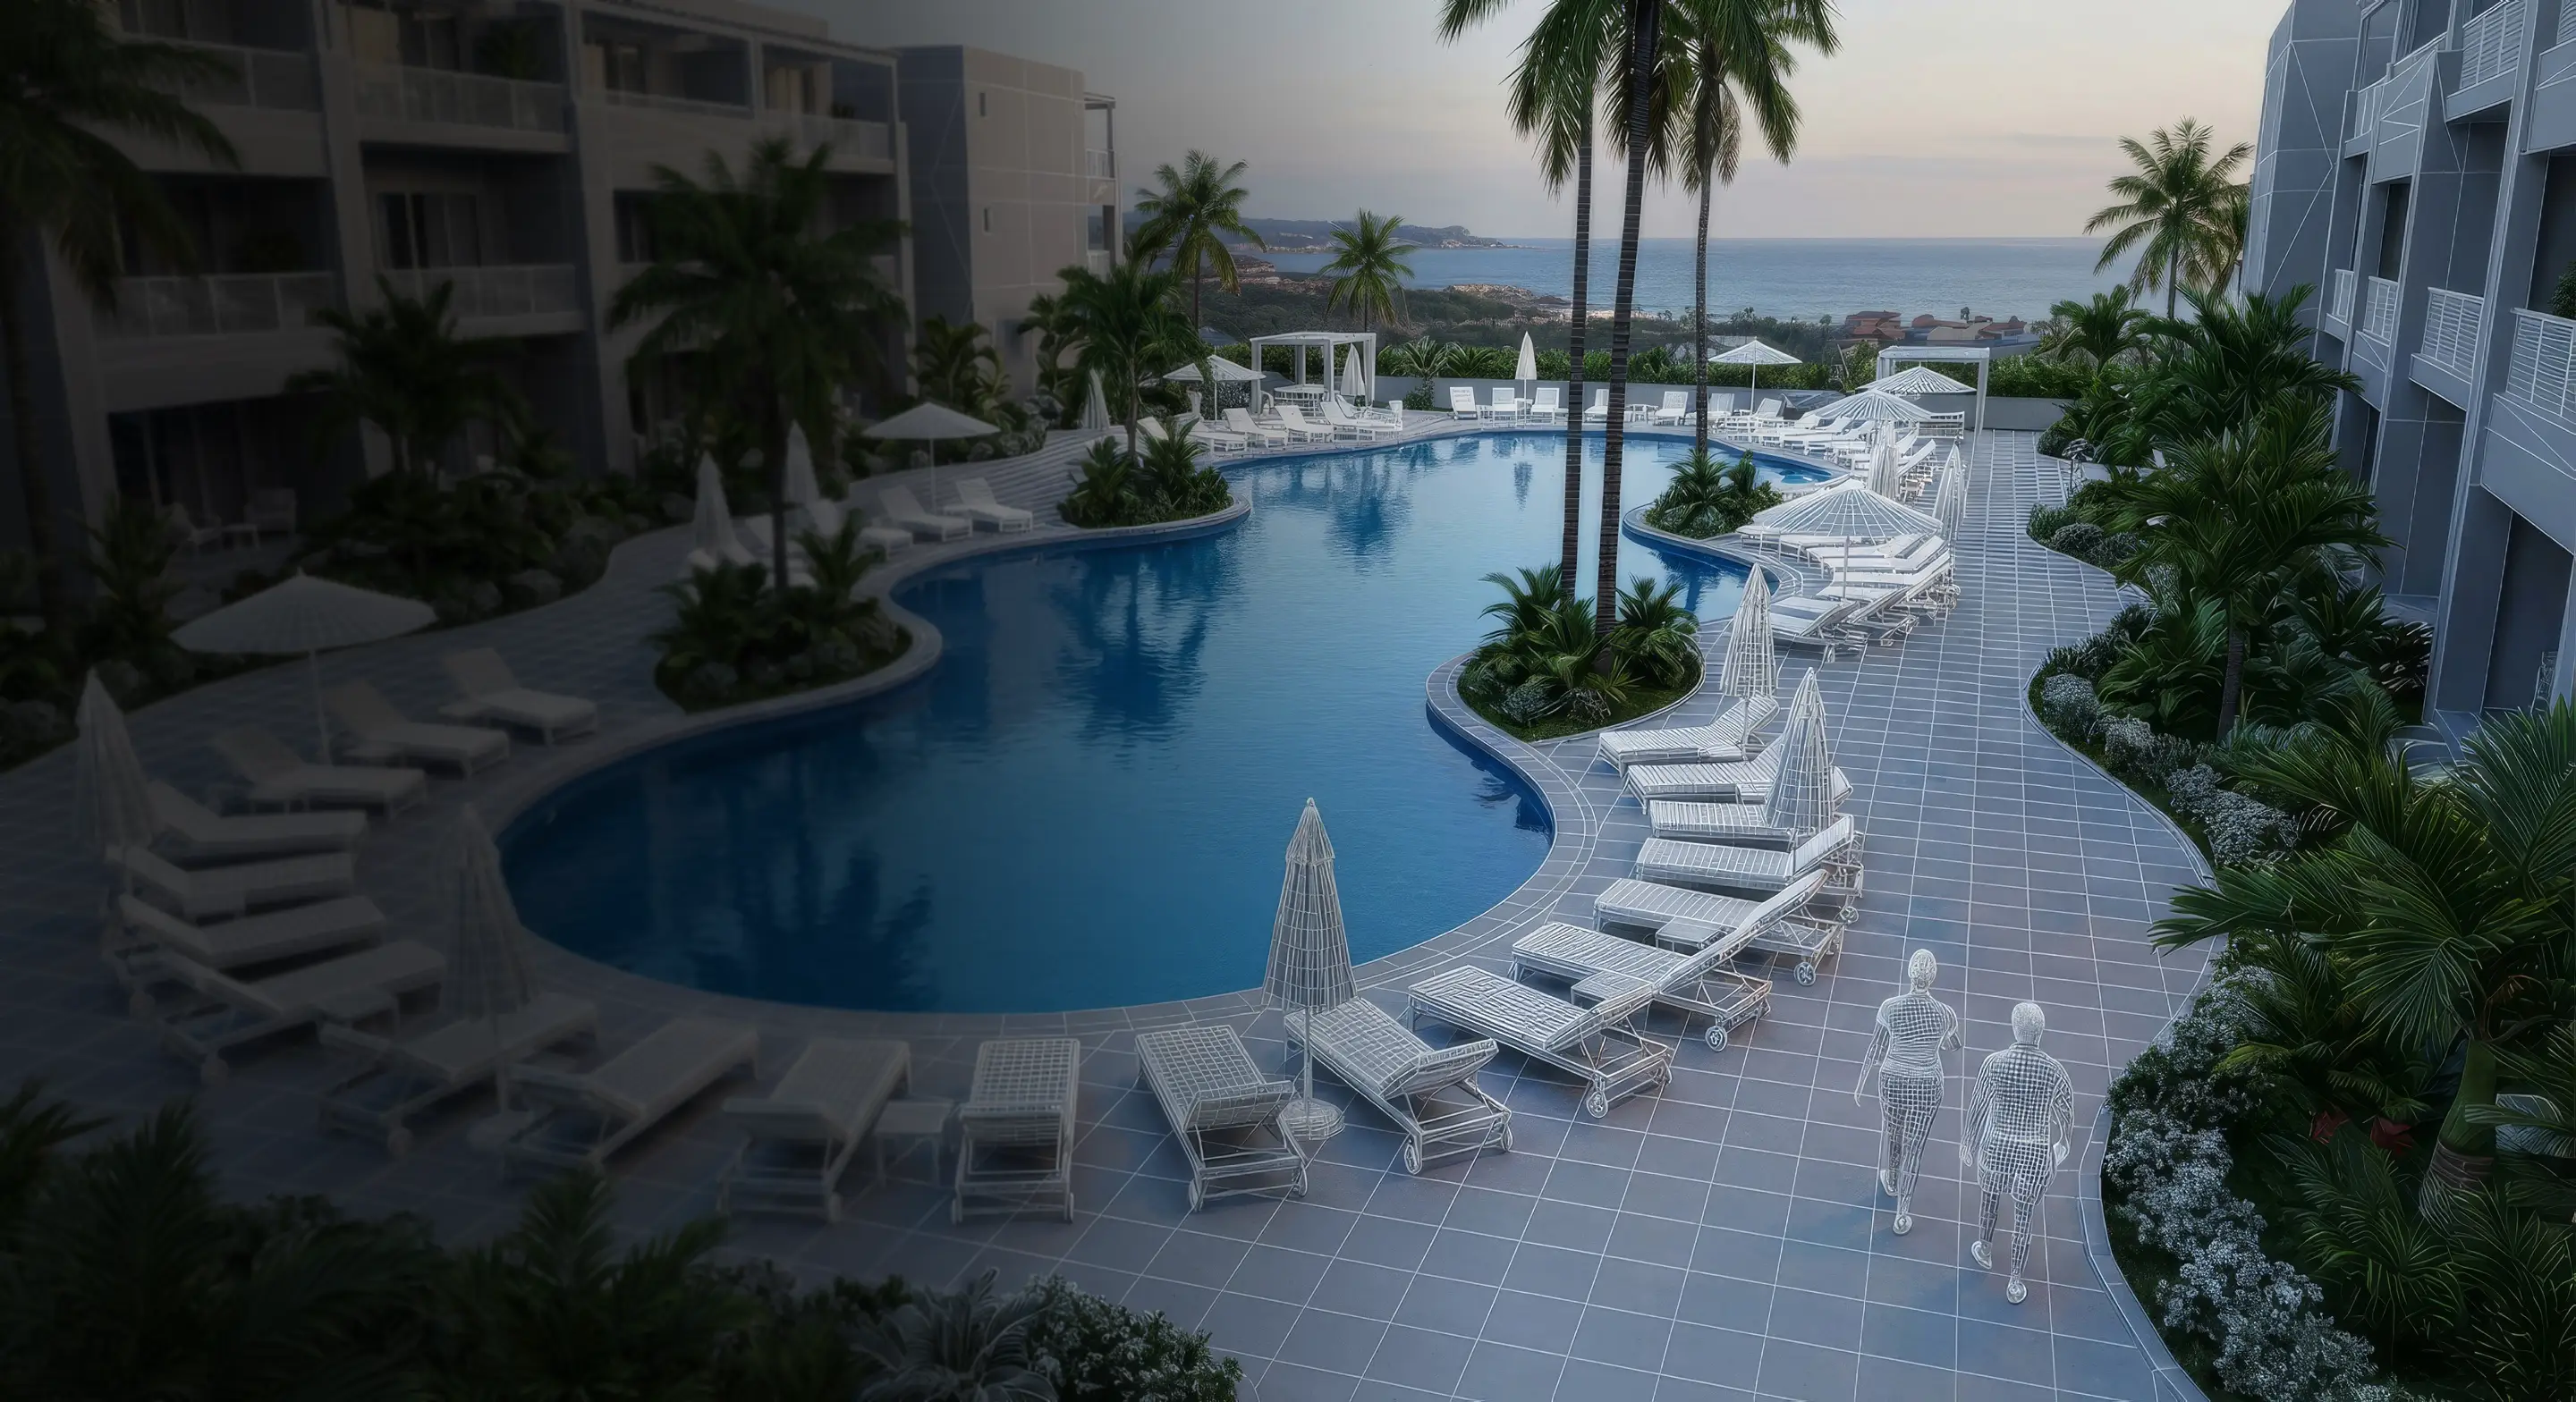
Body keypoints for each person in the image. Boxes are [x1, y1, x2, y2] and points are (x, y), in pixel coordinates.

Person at [1960, 1001, 2076, 1304]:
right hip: (2035, 1153)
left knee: (1989, 1201)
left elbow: (1978, 1107)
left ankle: (1984, 1248)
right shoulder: (2054, 1071)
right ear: (2040, 1032)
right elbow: (2066, 1114)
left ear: (2015, 1028)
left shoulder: (1994, 1063)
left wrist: (1968, 1144)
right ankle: (2014, 1282)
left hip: (1996, 1147)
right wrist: (2062, 1144)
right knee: (2024, 1218)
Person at [1852, 949, 1961, 1235]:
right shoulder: (1945, 1013)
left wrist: (1861, 1081)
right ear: (1933, 977)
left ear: (1909, 974)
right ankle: (1902, 1214)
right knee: (1917, 1146)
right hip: (1927, 1083)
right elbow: (1953, 1046)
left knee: (1895, 1130)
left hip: (1893, 1079)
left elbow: (1876, 1046)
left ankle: (1891, 1179)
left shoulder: (1890, 1006)